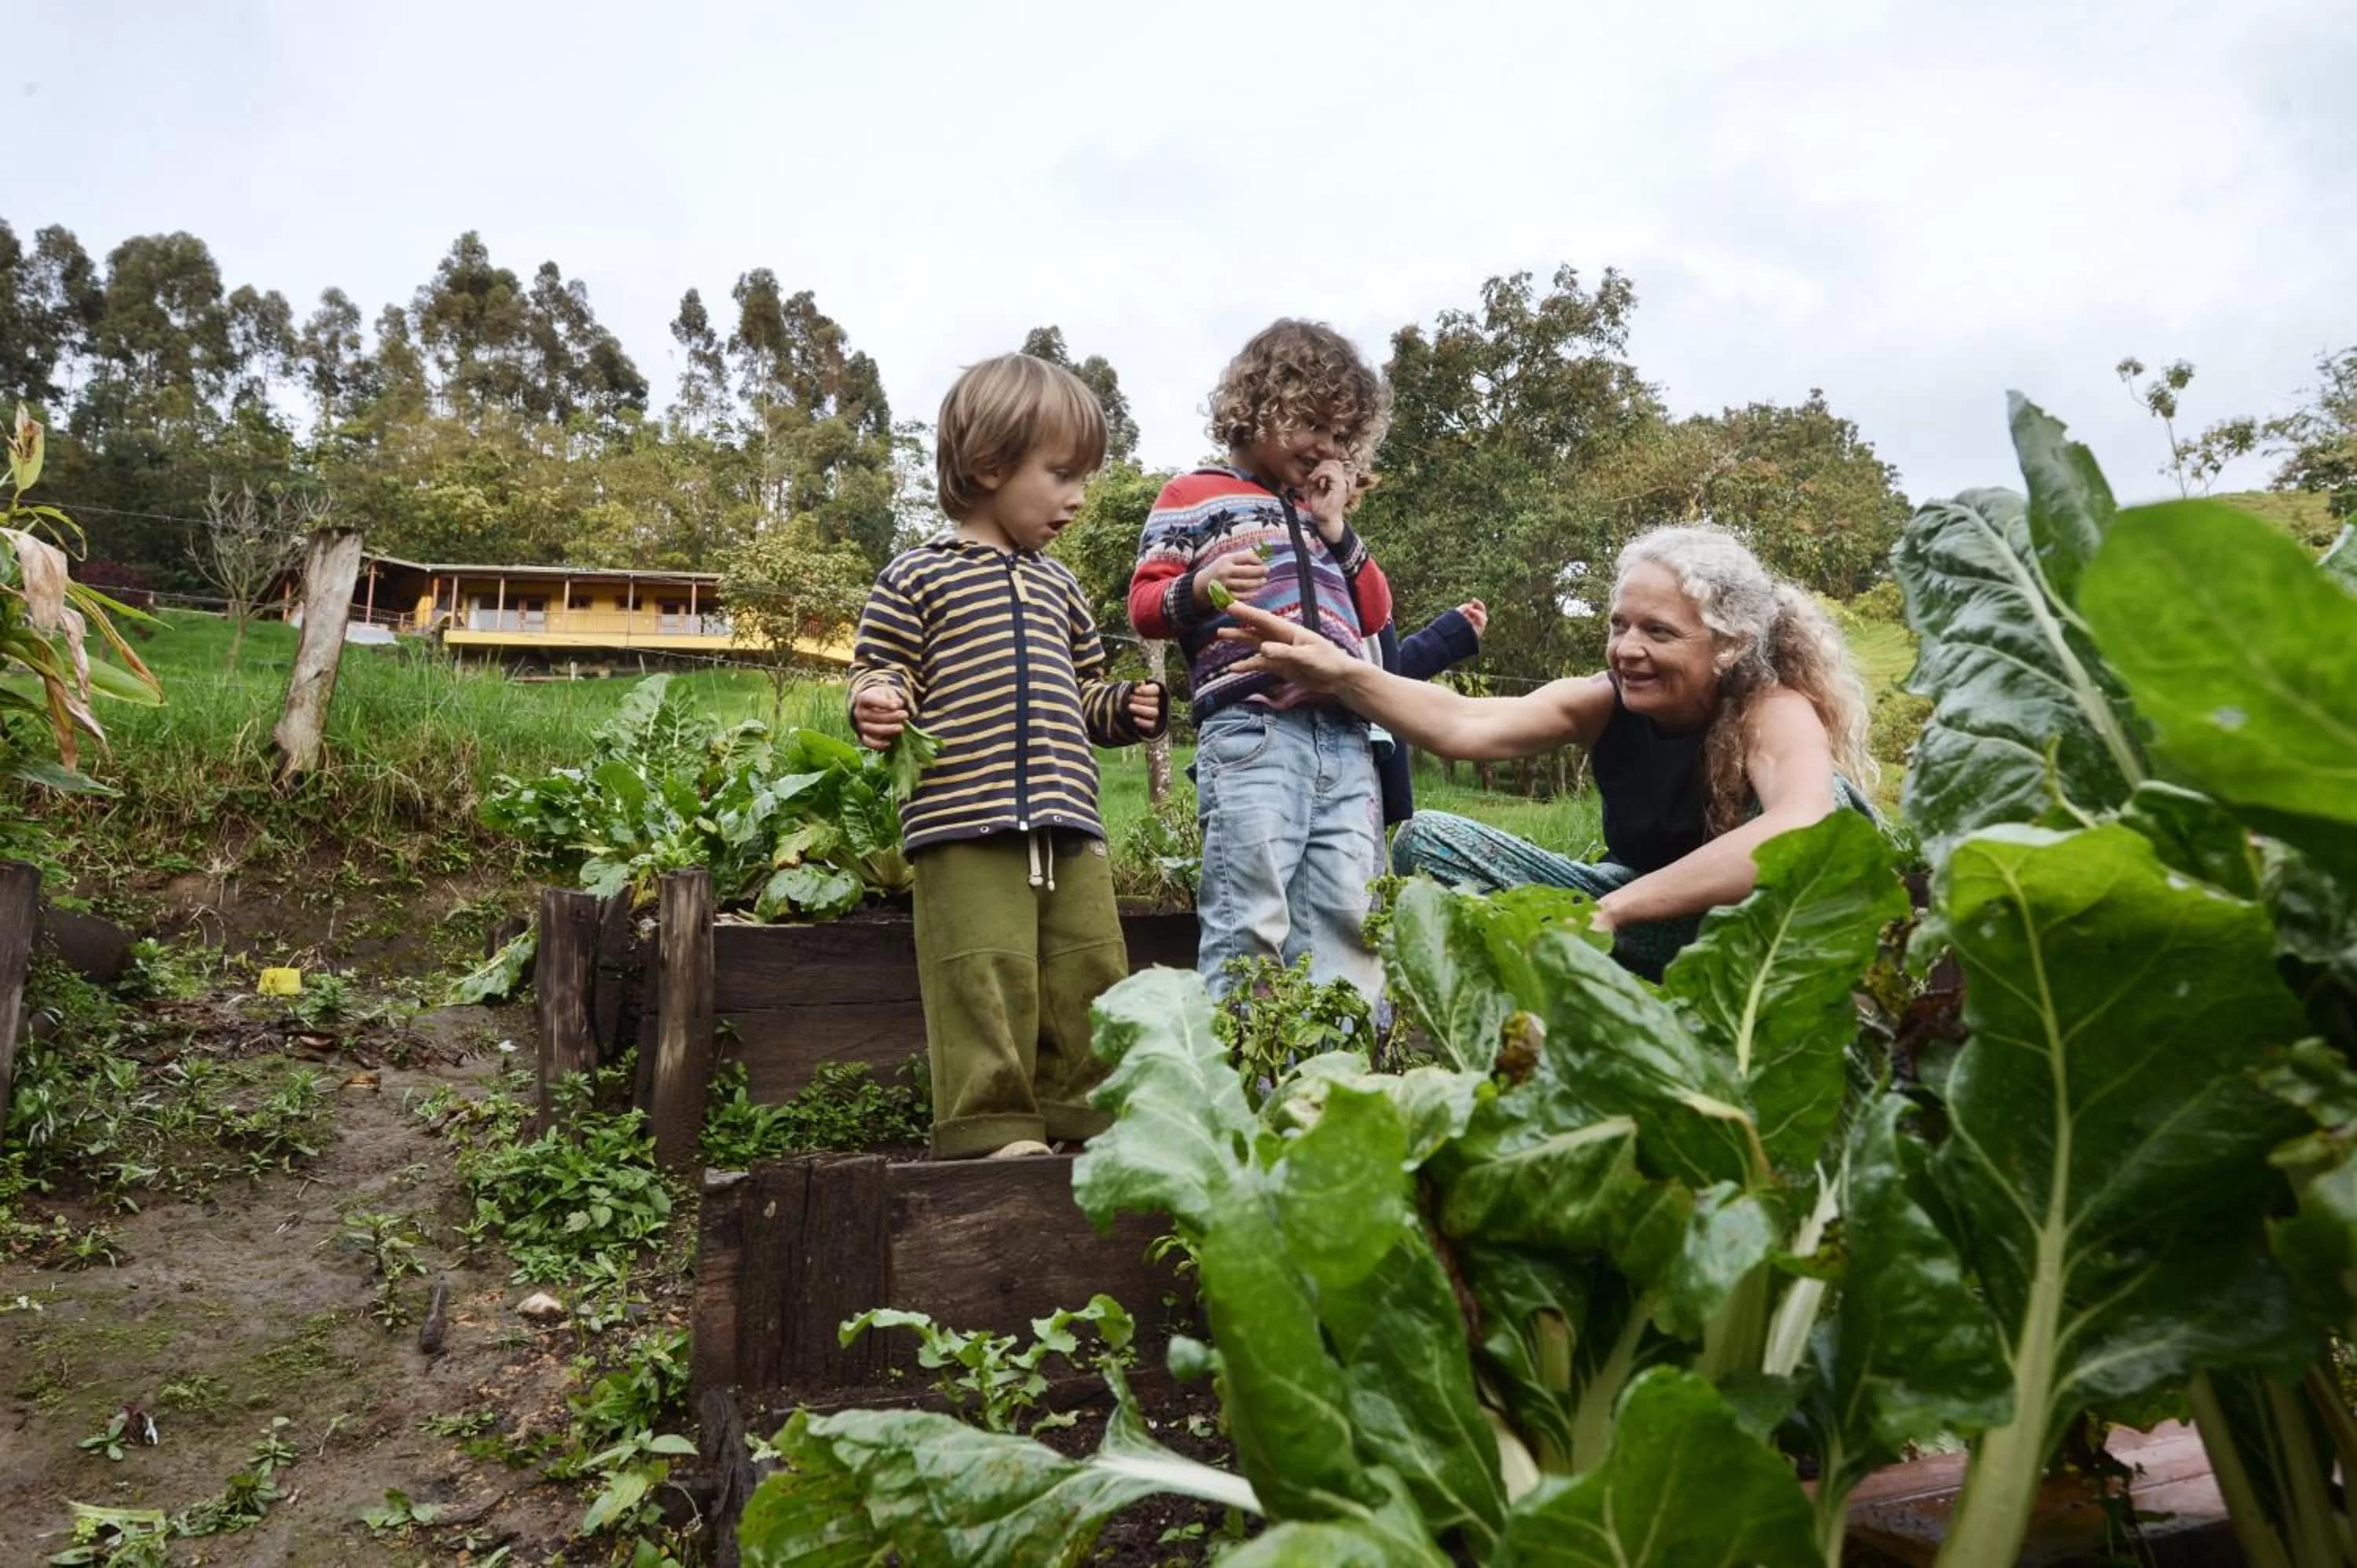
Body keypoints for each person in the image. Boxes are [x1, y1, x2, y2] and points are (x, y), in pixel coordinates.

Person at [1219, 525, 1876, 979]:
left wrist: (1617, 909)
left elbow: (1802, 826)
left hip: (1772, 945)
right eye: (1619, 625)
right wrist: (1338, 671)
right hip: (1643, 927)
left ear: (1730, 644)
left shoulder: (1774, 708)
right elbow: (1461, 722)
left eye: (1659, 632)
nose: (1627, 649)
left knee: (1834, 805)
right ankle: (1544, 995)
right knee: (1429, 841)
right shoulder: (1602, 700)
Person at [849, 353, 1167, 1160]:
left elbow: (1086, 691)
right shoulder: (917, 577)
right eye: (1061, 474)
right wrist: (878, 700)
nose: (1078, 497)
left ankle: (1088, 1121)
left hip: (1068, 816)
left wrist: (1123, 708)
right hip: (963, 818)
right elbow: (881, 666)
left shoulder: (1060, 588)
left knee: (1089, 969)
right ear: (990, 465)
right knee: (981, 971)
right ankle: (992, 1128)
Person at [1127, 319, 1395, 1002]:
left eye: (1342, 436)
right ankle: (1244, 1092)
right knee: (1250, 922)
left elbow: (1374, 613)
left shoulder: (1320, 515)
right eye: (1315, 424)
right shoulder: (1193, 495)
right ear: (1263, 407)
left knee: (1348, 922)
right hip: (1253, 731)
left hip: (1345, 738)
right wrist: (1201, 584)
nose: (1328, 448)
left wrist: (1337, 529)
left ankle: (1335, 1091)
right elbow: (1146, 603)